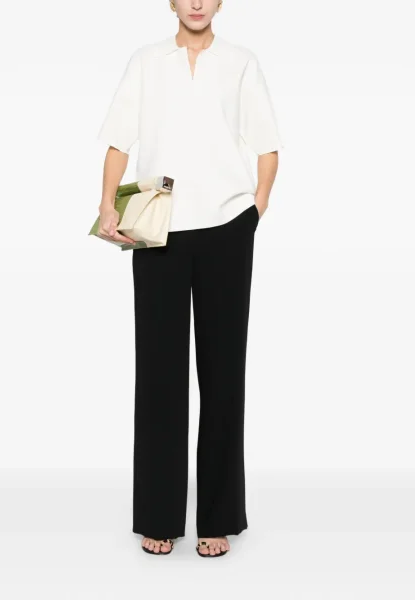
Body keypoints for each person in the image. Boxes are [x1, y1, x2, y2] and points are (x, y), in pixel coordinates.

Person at [96, 0, 283, 558]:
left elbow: (268, 146)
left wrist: (254, 211)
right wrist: (106, 204)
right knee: (158, 374)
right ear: (171, 2)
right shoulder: (146, 61)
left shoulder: (242, 62)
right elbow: (118, 141)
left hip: (227, 228)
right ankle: (158, 516)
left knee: (224, 374)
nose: (197, 2)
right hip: (158, 229)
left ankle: (218, 517)